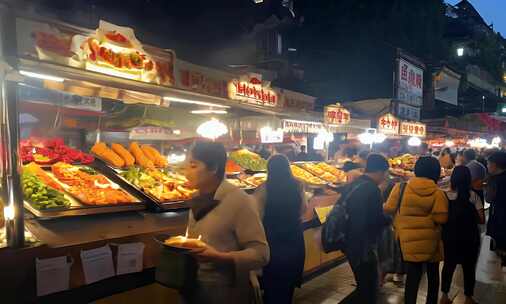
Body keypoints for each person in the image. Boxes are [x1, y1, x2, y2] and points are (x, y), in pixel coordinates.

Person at [182, 141, 270, 304]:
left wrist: (220, 257)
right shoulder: (196, 199)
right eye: (186, 166)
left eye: (193, 166)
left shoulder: (240, 201)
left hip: (227, 292)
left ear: (213, 168)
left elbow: (261, 253)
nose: (186, 173)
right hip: (193, 289)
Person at [384, 156, 449, 304]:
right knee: (433, 276)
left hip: (407, 241)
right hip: (431, 242)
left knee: (413, 276)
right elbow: (441, 219)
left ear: (417, 170)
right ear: (436, 172)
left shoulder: (400, 188)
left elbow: (389, 208)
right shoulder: (438, 193)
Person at [253, 154, 306, 304]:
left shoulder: (263, 188)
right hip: (294, 238)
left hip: (272, 240)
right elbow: (303, 209)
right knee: (288, 285)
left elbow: (257, 215)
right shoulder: (298, 185)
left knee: (273, 286)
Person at [338, 153, 390, 304]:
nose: (386, 176)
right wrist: (388, 219)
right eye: (386, 172)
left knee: (365, 288)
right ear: (380, 171)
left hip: (350, 243)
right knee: (368, 290)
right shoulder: (372, 190)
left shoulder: (354, 184)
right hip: (363, 247)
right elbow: (374, 220)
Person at [440, 166, 484, 304]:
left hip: (450, 237)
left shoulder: (444, 195)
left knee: (448, 266)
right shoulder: (474, 195)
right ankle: (468, 298)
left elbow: (441, 217)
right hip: (470, 237)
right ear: (468, 179)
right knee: (469, 267)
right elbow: (482, 219)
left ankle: (444, 296)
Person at [485, 151, 506, 261]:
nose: (487, 166)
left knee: (498, 256)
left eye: (488, 164)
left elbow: (488, 198)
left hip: (499, 221)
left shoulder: (495, 180)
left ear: (494, 165)